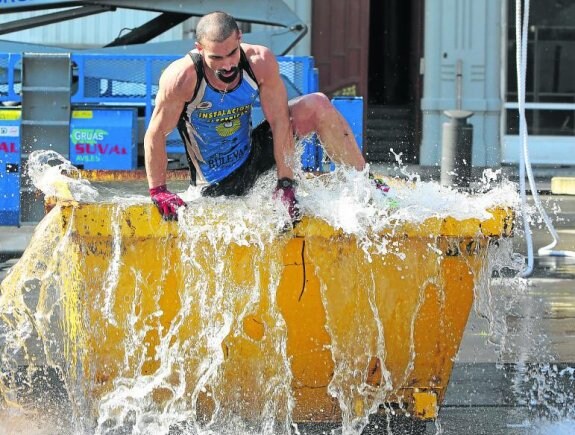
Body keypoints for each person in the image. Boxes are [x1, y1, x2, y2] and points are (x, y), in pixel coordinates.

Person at [144, 11, 376, 223]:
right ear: (200, 48)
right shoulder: (182, 78)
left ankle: (366, 185)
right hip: (216, 183)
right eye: (216, 58)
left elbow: (280, 122)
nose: (227, 65)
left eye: (232, 54)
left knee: (317, 103)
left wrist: (286, 183)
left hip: (253, 156)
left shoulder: (259, 62)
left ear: (239, 39)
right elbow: (156, 134)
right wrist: (159, 190)